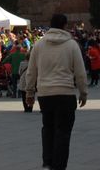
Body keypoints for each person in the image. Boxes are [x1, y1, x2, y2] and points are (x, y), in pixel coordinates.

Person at [25, 14, 87, 170]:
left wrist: (30, 92)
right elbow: (80, 72)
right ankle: (59, 166)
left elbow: (31, 71)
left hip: (45, 94)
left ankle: (48, 161)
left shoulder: (39, 45)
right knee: (63, 132)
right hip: (65, 93)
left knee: (48, 128)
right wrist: (83, 92)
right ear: (65, 25)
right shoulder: (72, 45)